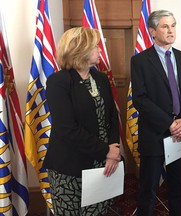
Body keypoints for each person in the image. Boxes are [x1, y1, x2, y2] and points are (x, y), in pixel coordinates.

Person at [43, 27, 121, 215]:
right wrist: (106, 151)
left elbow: (111, 115)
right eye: (96, 46)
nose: (100, 49)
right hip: (70, 167)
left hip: (102, 163)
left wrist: (113, 147)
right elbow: (66, 128)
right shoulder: (58, 81)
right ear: (81, 50)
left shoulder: (101, 78)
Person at [131, 10, 181, 216]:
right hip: (154, 133)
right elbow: (140, 99)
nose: (170, 30)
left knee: (179, 185)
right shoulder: (140, 61)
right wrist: (169, 124)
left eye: (173, 25)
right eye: (164, 26)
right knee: (148, 188)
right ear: (152, 31)